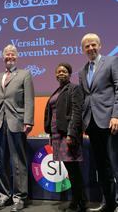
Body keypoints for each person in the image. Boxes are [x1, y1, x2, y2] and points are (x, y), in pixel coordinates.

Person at [79, 33, 118, 212]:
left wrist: (116, 116)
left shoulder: (111, 62)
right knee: (101, 167)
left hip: (110, 122)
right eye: (87, 46)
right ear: (83, 49)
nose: (90, 48)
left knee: (115, 164)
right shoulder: (82, 71)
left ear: (100, 45)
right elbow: (85, 98)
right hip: (92, 124)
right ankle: (109, 204)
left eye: (93, 45)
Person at [0, 44, 34, 212]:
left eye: (12, 55)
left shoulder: (25, 74)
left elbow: (29, 99)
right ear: (3, 58)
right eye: (6, 55)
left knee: (18, 162)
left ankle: (19, 197)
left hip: (17, 122)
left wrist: (29, 121)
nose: (9, 57)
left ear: (16, 57)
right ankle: (4, 196)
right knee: (1, 162)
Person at [44, 62, 86, 212]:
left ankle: (79, 202)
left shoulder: (74, 89)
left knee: (73, 169)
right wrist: (50, 133)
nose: (61, 73)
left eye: (64, 71)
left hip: (68, 134)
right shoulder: (57, 91)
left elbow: (76, 111)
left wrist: (72, 133)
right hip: (57, 134)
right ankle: (79, 199)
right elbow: (52, 113)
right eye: (58, 71)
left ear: (69, 74)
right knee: (70, 168)